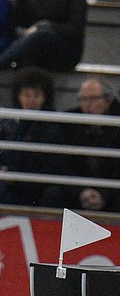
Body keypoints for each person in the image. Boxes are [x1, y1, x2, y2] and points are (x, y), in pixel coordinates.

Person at [0, 66, 65, 206]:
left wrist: (18, 177)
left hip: (38, 190)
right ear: (18, 97)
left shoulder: (53, 128)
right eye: (26, 95)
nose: (31, 101)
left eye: (36, 95)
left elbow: (54, 168)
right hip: (10, 188)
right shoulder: (7, 124)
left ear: (45, 97)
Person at [59, 77, 120, 211]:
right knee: (54, 194)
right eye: (83, 99)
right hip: (78, 188)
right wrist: (80, 191)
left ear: (108, 100)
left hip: (111, 189)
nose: (87, 104)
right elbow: (64, 165)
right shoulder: (69, 122)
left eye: (93, 99)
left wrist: (103, 194)